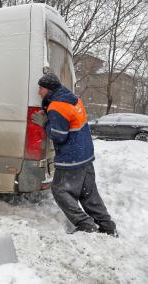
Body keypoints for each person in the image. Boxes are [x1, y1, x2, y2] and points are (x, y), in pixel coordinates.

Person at [32, 73, 117, 237]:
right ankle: (107, 226)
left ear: (49, 89)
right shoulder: (72, 99)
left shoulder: (57, 107)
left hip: (71, 157)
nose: (39, 92)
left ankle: (86, 225)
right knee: (88, 194)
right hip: (85, 154)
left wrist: (45, 123)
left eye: (41, 88)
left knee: (59, 190)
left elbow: (58, 136)